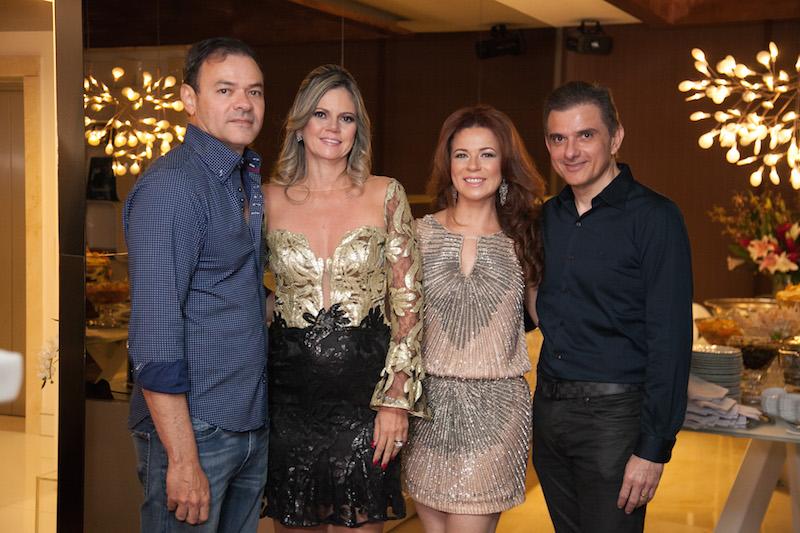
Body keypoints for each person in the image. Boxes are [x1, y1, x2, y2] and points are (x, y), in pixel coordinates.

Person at [261, 64, 428, 532]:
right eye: (321, 114)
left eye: (346, 117)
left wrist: (395, 398)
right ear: (300, 124)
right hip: (289, 397)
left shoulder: (385, 193)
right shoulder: (267, 199)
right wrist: (277, 308)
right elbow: (236, 283)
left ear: (358, 130)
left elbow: (409, 302)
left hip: (365, 397)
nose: (333, 127)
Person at [533, 80, 693, 532]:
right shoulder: (547, 218)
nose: (570, 151)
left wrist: (653, 448)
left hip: (614, 419)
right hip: (549, 412)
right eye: (558, 138)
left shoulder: (655, 217)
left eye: (586, 135)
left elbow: (671, 340)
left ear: (616, 137)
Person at [124, 37, 268, 532]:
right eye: (225, 90)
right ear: (189, 99)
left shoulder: (243, 177)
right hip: (195, 431)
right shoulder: (174, 186)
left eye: (254, 91)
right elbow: (155, 338)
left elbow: (234, 290)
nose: (244, 103)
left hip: (247, 423)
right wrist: (183, 459)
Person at [403, 105, 545, 533]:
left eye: (487, 154)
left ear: (505, 163)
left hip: (497, 412)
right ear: (448, 164)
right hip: (426, 409)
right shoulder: (417, 233)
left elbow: (551, 320)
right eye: (462, 154)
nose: (473, 166)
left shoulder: (526, 238)